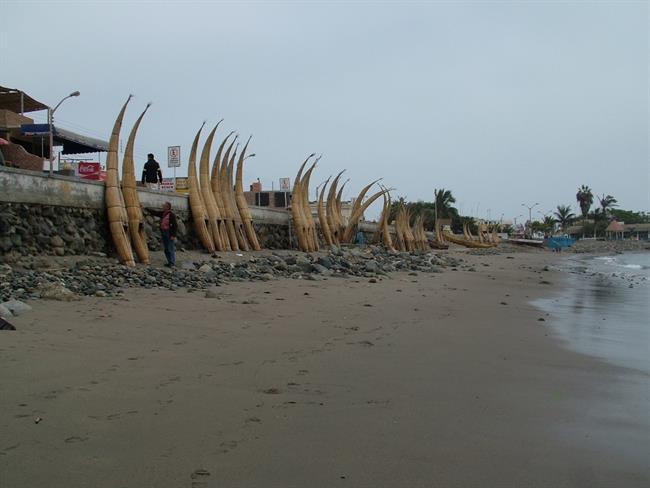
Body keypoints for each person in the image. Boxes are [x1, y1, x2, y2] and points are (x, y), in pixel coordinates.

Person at [159, 202, 178, 267]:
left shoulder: (171, 215)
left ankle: (172, 262)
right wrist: (146, 208)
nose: (163, 207)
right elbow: (155, 212)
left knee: (170, 248)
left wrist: (173, 235)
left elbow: (175, 225)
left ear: (167, 207)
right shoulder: (163, 214)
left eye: (164, 206)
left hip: (169, 232)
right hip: (164, 232)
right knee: (166, 248)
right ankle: (169, 261)